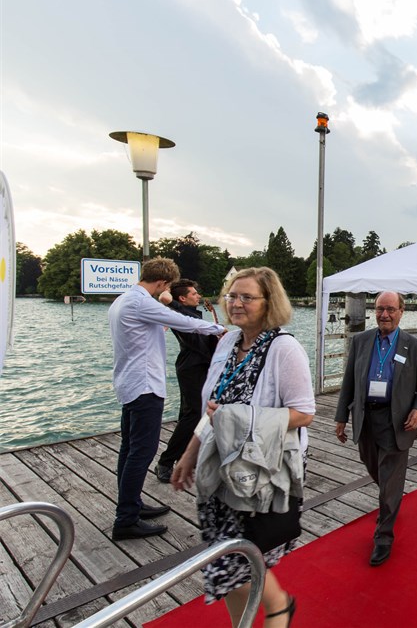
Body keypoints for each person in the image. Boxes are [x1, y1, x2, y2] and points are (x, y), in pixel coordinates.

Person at [171, 267, 313, 627]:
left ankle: (279, 607)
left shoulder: (284, 348)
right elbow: (213, 408)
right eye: (232, 295)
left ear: (269, 303)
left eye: (247, 297)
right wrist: (189, 453)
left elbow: (304, 413)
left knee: (237, 561)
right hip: (219, 468)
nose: (236, 303)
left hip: (260, 473)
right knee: (226, 565)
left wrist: (243, 418)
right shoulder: (226, 344)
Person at [107, 258, 225, 541]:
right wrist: (218, 330)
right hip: (145, 386)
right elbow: (182, 320)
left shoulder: (122, 300)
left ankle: (131, 505)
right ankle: (125, 519)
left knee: (129, 448)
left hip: (129, 382)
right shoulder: (140, 302)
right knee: (141, 452)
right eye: (169, 285)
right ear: (162, 283)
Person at [335, 291, 417, 566]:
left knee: (389, 482)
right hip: (365, 418)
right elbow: (349, 382)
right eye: (379, 309)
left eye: (390, 309)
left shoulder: (414, 346)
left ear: (401, 311)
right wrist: (341, 417)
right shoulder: (361, 341)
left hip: (396, 421)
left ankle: (384, 536)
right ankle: (392, 495)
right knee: (374, 469)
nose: (384, 315)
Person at [155, 279, 219, 483]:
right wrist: (170, 303)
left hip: (202, 367)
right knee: (192, 416)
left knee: (191, 414)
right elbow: (190, 323)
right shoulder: (181, 315)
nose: (198, 296)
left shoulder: (193, 315)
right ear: (182, 298)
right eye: (193, 293)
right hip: (192, 368)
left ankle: (190, 457)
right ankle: (166, 462)